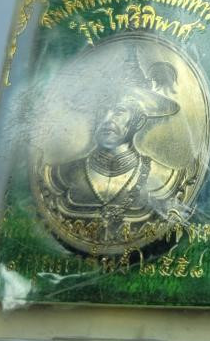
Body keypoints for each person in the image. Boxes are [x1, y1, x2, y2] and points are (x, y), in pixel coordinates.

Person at [40, 48, 182, 246]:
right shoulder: (60, 175)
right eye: (102, 110)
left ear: (139, 121)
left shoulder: (165, 178)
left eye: (119, 111)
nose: (107, 119)